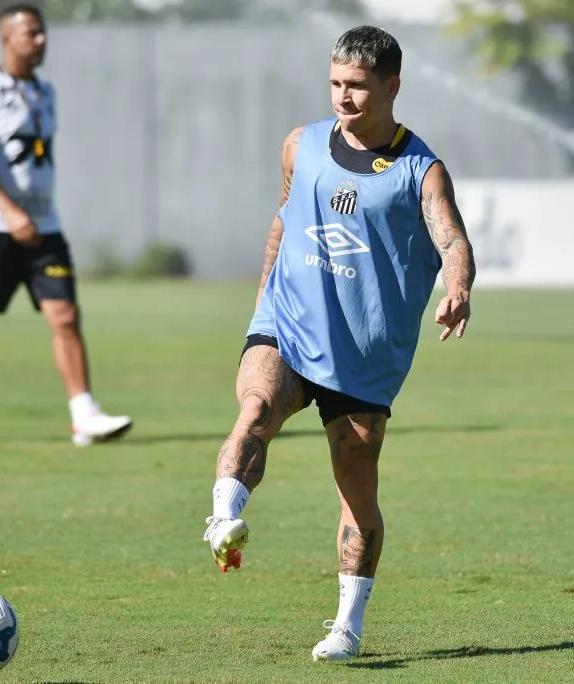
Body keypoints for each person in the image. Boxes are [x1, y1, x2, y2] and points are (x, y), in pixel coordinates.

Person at [201, 25, 476, 662]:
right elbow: (282, 215)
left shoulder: (420, 171)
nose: (343, 98)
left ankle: (347, 626)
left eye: (357, 87)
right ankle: (223, 519)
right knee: (257, 407)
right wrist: (265, 294)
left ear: (391, 86)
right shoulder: (302, 144)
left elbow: (453, 242)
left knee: (356, 485)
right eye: (335, 84)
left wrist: (457, 286)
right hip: (288, 324)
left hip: (363, 354)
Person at [0, 4, 132, 447]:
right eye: (33, 34)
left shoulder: (45, 91)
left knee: (66, 315)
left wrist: (31, 214)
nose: (41, 41)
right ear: (8, 38)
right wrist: (9, 211)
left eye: (43, 33)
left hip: (44, 226)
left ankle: (84, 416)